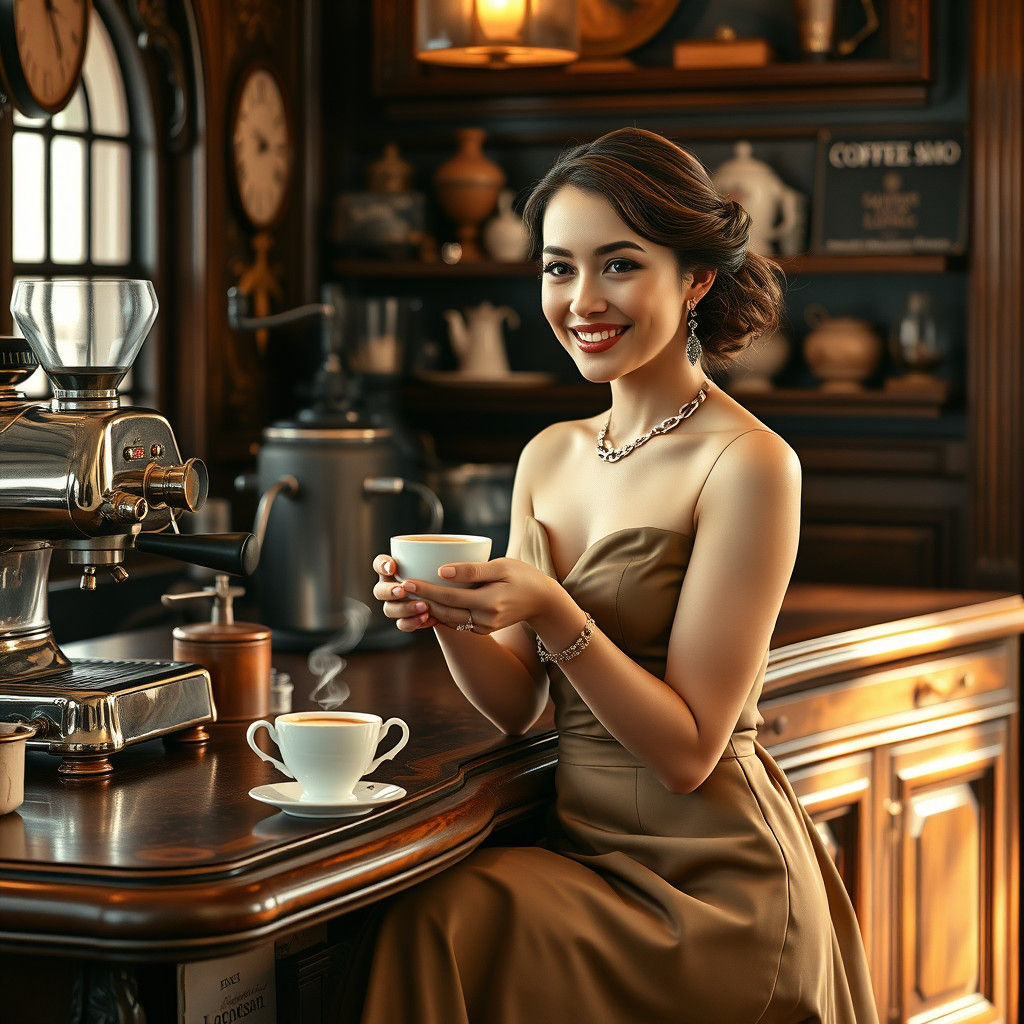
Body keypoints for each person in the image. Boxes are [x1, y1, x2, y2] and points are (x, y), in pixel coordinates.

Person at [358, 128, 879, 1024]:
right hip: (586, 856)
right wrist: (447, 616)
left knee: (441, 922)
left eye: (620, 265)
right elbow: (521, 705)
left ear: (697, 280)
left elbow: (687, 754)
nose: (583, 300)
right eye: (559, 268)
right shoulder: (547, 455)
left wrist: (556, 614)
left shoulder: (750, 464)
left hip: (715, 887)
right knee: (431, 919)